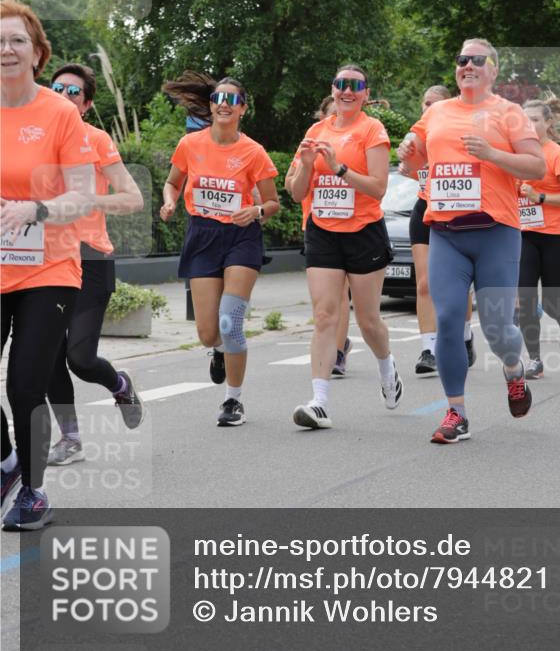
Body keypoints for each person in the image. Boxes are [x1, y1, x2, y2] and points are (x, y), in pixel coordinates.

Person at [398, 38, 545, 444]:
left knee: (498, 329)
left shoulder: (510, 114)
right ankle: (456, 412)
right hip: (446, 232)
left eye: (477, 59)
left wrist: (493, 154)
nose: (467, 65)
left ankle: (513, 372)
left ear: (494, 69)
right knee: (447, 320)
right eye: (462, 59)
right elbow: (412, 164)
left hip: (496, 233)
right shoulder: (438, 113)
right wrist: (409, 153)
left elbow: (537, 166)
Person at [1, 0, 96, 530]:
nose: (5, 50)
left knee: (23, 385)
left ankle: (33, 490)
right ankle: (7, 462)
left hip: (47, 268)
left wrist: (34, 207)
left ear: (37, 53)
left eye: (16, 41)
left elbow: (83, 195)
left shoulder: (58, 113)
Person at [160, 73, 279, 427]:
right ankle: (218, 351)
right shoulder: (190, 144)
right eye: (217, 98)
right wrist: (169, 203)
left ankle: (233, 400)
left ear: (242, 108)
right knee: (209, 333)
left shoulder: (253, 151)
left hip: (241, 237)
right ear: (211, 106)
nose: (223, 104)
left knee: (231, 321)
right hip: (203, 237)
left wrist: (256, 210)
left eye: (232, 99)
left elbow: (272, 203)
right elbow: (172, 182)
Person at [288, 64, 402, 429]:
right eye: (341, 85)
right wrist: (307, 167)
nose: (347, 91)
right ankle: (320, 402)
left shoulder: (372, 130)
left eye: (355, 86)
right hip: (322, 229)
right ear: (333, 90)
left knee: (369, 321)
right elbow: (295, 192)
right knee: (325, 315)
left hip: (363, 230)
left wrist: (338, 169)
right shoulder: (315, 130)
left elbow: (378, 188)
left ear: (366, 93)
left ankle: (387, 367)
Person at [45, 64, 145, 466]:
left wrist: (91, 202)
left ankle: (120, 385)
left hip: (90, 258)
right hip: (45, 261)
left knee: (80, 359)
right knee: (49, 355)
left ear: (85, 105)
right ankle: (70, 439)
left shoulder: (96, 140)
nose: (65, 96)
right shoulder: (29, 136)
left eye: (74, 92)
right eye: (58, 88)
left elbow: (133, 198)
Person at [399, 85, 475, 376]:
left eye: (434, 103)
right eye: (425, 102)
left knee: (460, 284)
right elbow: (408, 165)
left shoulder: (456, 131)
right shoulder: (419, 134)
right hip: (424, 209)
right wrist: (411, 163)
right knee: (424, 283)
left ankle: (466, 334)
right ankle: (429, 349)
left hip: (455, 214)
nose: (428, 107)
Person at [286, 94, 354, 378]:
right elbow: (290, 184)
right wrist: (306, 164)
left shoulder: (355, 143)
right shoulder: (310, 144)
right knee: (327, 301)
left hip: (352, 229)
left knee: (341, 296)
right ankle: (334, 344)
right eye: (328, 114)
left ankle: (337, 351)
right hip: (316, 226)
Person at [516, 96, 560, 379]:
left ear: (548, 123)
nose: (529, 125)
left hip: (557, 235)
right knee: (526, 300)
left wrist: (539, 196)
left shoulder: (556, 154)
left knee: (552, 302)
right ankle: (535, 361)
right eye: (524, 120)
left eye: (535, 120)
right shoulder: (514, 152)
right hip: (524, 235)